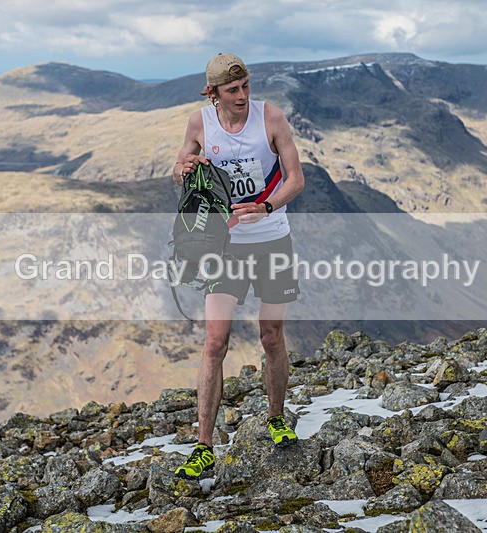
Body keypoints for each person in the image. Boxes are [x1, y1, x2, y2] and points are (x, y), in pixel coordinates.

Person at [172, 53, 305, 479]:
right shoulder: (200, 123)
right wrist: (184, 167)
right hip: (224, 246)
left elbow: (296, 179)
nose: (243, 95)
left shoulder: (271, 117)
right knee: (214, 343)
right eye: (233, 90)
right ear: (213, 93)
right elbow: (179, 169)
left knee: (271, 336)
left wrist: (266, 206)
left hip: (272, 240)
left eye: (246, 85)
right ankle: (204, 445)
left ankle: (276, 418)